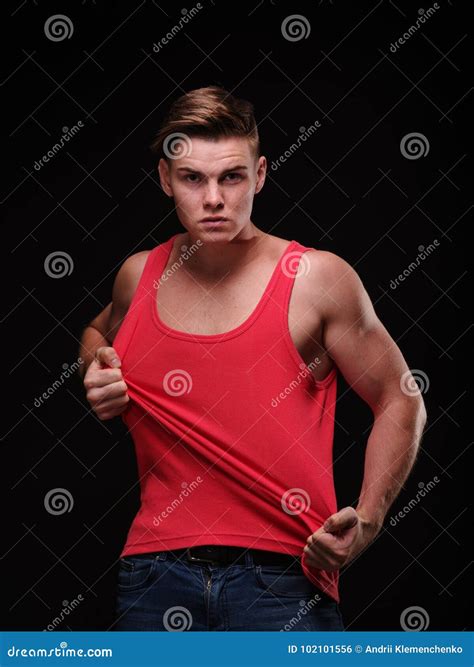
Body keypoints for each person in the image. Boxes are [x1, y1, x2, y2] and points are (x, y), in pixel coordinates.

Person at [78, 86, 427, 631]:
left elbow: (399, 397)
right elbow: (98, 331)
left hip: (283, 578)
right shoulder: (140, 274)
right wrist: (92, 366)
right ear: (166, 180)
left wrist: (369, 520)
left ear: (260, 175)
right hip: (152, 574)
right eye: (193, 178)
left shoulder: (315, 278)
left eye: (231, 177)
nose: (214, 198)